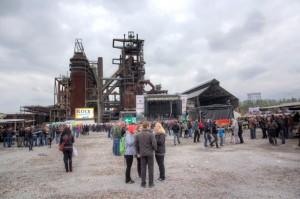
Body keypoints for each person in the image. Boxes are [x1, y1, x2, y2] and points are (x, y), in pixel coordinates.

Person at [135, 121, 157, 188]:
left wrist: (138, 152)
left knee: (143, 168)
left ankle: (143, 183)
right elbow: (154, 144)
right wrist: (154, 149)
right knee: (150, 168)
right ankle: (150, 184)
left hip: (142, 154)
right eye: (149, 125)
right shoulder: (151, 134)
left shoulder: (138, 134)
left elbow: (136, 145)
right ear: (147, 126)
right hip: (150, 153)